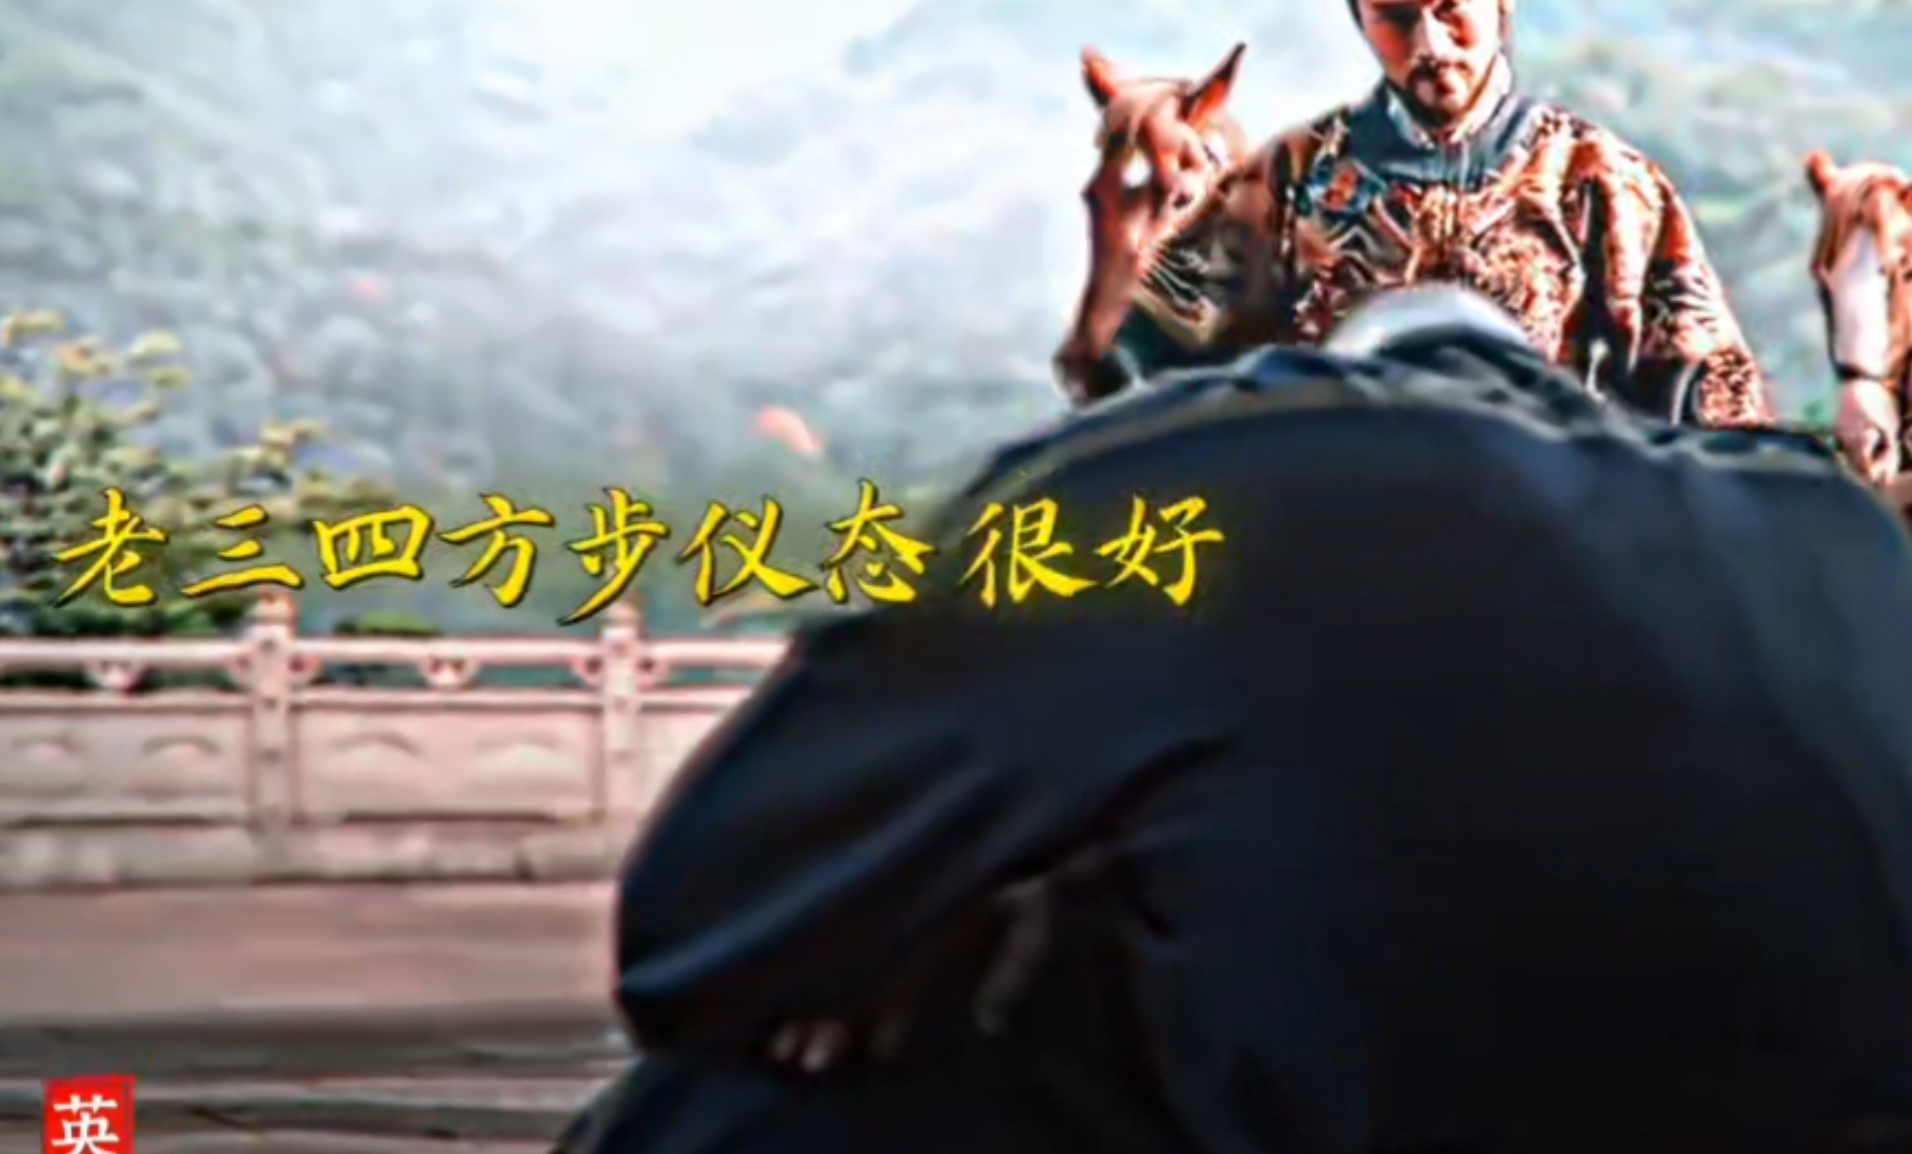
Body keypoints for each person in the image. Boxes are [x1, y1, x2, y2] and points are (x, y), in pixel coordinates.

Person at [560, 286, 1912, 1154]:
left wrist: (974, 930)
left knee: (710, 1113)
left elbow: (696, 929)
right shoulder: (1831, 533)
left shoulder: (1201, 474)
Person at [1093, 0, 1774, 430]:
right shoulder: (1288, 182)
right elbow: (1139, 374)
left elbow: (1718, 419)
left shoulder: (1603, 184)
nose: (1431, 45)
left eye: (1451, 6)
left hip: (1541, 503)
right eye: (1394, 16)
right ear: (1359, 17)